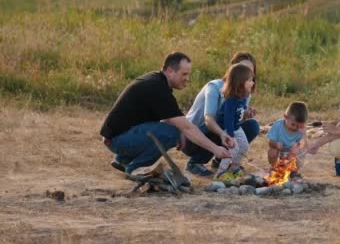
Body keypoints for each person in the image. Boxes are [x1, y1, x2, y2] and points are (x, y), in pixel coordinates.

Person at [100, 52, 230, 177]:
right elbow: (187, 127)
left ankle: (122, 159)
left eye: (188, 74)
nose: (187, 79)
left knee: (173, 130)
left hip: (115, 137)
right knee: (172, 133)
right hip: (118, 140)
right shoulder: (158, 88)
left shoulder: (157, 81)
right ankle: (136, 169)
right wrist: (215, 149)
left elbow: (172, 119)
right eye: (184, 74)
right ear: (169, 71)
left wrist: (181, 132)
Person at [182, 52, 260, 177]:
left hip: (217, 132)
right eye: (241, 68)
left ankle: (222, 160)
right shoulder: (214, 87)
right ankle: (195, 162)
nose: (245, 73)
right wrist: (224, 133)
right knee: (221, 122)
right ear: (231, 70)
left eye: (249, 71)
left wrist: (243, 115)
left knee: (252, 126)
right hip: (190, 137)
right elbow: (209, 119)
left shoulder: (245, 92)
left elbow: (233, 119)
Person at [213, 64, 255, 182]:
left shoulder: (243, 97)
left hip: (236, 127)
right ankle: (220, 173)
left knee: (244, 146)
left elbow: (239, 114)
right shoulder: (231, 101)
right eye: (249, 80)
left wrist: (248, 112)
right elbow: (228, 120)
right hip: (227, 129)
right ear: (240, 82)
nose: (252, 83)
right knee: (233, 148)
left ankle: (234, 167)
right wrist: (230, 136)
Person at [267, 101, 309, 179]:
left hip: (293, 154)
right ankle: (274, 168)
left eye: (299, 126)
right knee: (272, 150)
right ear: (285, 117)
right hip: (280, 150)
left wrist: (304, 135)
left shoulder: (301, 130)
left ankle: (294, 171)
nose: (295, 128)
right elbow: (270, 142)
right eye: (293, 124)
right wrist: (275, 144)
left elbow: (305, 147)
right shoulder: (278, 125)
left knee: (299, 150)